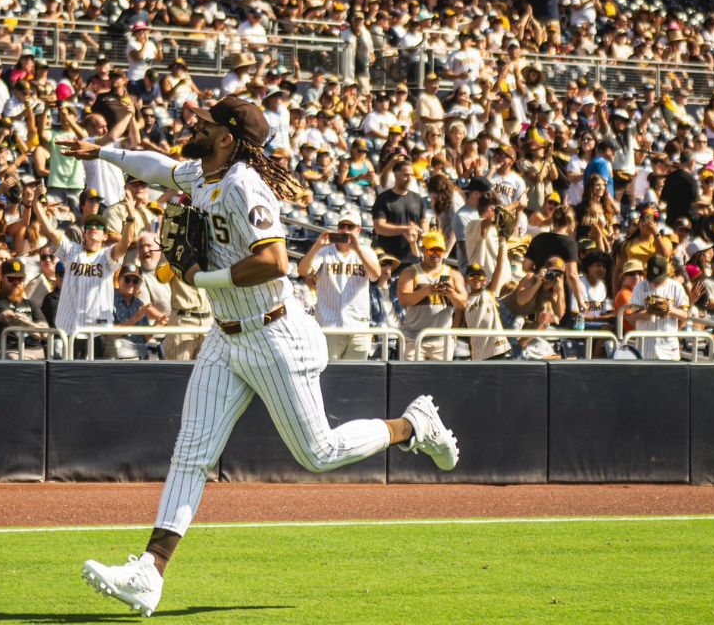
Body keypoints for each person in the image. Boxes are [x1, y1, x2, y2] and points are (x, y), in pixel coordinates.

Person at [62, 94, 459, 617]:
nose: (196, 124)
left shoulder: (245, 184)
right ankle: (149, 572)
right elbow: (157, 167)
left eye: (207, 122)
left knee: (317, 453)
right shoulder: (203, 173)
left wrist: (202, 278)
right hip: (226, 337)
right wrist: (105, 152)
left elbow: (274, 261)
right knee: (191, 452)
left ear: (227, 137)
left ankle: (412, 425)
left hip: (274, 333)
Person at [30, 190, 136, 359]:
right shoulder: (71, 251)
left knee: (108, 377)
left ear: (105, 235)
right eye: (90, 227)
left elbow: (125, 244)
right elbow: (49, 230)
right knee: (74, 379)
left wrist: (130, 217)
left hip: (101, 328)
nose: (94, 228)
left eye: (99, 227)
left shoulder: (107, 256)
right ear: (84, 233)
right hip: (73, 327)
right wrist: (36, 205)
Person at [297, 206, 380, 360]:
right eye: (342, 226)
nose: (345, 230)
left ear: (358, 230)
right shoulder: (324, 250)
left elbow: (376, 275)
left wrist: (358, 250)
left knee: (356, 377)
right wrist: (316, 246)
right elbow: (303, 271)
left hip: (358, 327)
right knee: (330, 376)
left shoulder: (367, 252)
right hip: (330, 326)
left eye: (350, 227)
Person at [398, 231, 468, 360]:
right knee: (411, 378)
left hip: (442, 339)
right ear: (423, 250)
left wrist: (451, 294)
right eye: (431, 251)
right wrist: (425, 291)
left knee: (440, 379)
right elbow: (404, 300)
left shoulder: (453, 274)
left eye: (439, 251)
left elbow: (463, 304)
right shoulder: (410, 273)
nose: (435, 254)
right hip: (414, 338)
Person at [629, 255, 690, 361]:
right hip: (645, 347)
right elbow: (632, 317)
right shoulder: (640, 287)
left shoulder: (676, 287)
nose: (655, 281)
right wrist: (649, 311)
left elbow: (686, 316)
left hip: (669, 347)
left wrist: (670, 310)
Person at [0, 257, 42, 358]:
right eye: (11, 279)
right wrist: (30, 325)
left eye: (20, 279)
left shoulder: (31, 303)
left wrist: (34, 328)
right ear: (3, 278)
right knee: (14, 358)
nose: (16, 283)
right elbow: (9, 318)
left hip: (34, 350)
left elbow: (45, 331)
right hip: (7, 351)